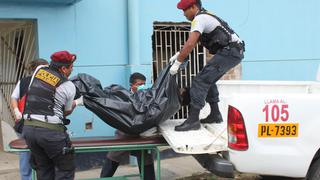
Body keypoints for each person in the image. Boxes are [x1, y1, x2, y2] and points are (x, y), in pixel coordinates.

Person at [170, 0, 245, 131]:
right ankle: (215, 114)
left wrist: (177, 63)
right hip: (233, 51)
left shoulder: (199, 19)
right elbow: (193, 44)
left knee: (200, 81)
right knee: (208, 79)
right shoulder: (206, 16)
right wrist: (179, 54)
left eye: (184, 10)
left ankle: (193, 120)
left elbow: (190, 44)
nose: (183, 14)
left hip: (230, 51)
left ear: (193, 7)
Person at [21, 50, 82, 179]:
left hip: (29, 131)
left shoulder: (39, 70)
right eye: (71, 67)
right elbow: (66, 111)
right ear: (64, 68)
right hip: (51, 133)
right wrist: (77, 102)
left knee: (44, 170)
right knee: (65, 170)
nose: (72, 70)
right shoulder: (68, 85)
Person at [100, 72, 155, 180]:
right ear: (132, 85)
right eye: (139, 84)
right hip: (124, 133)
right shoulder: (123, 96)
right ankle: (104, 178)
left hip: (141, 134)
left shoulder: (147, 97)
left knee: (146, 157)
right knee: (113, 156)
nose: (142, 86)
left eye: (144, 84)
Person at [11, 58, 49, 180]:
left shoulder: (50, 83)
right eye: (45, 68)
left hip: (45, 126)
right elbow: (14, 97)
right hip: (24, 125)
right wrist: (16, 110)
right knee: (26, 155)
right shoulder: (24, 82)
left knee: (43, 156)